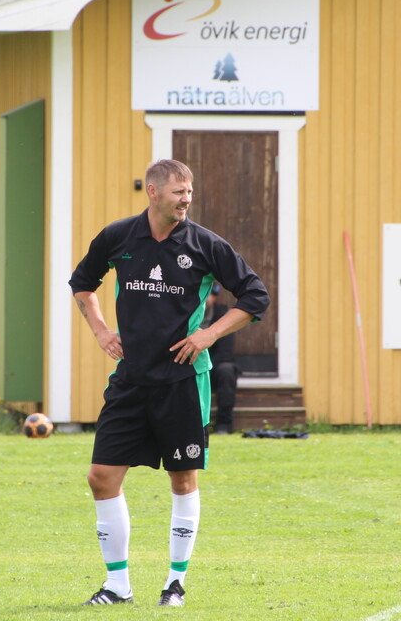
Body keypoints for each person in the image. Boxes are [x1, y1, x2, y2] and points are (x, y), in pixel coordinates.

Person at [69, 159, 270, 607]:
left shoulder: (206, 244)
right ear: (153, 192)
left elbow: (255, 296)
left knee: (182, 480)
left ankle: (174, 584)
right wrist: (101, 331)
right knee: (101, 477)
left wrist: (209, 335)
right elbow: (82, 284)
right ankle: (117, 586)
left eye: (190, 192)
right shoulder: (118, 237)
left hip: (183, 381)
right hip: (130, 380)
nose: (186, 200)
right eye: (179, 192)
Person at [204, 285, 240, 435]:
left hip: (212, 369)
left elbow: (225, 353)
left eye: (209, 294)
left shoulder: (222, 316)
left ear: (215, 296)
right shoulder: (185, 313)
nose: (206, 299)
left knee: (227, 370)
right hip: (188, 367)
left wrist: (205, 367)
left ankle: (224, 424)